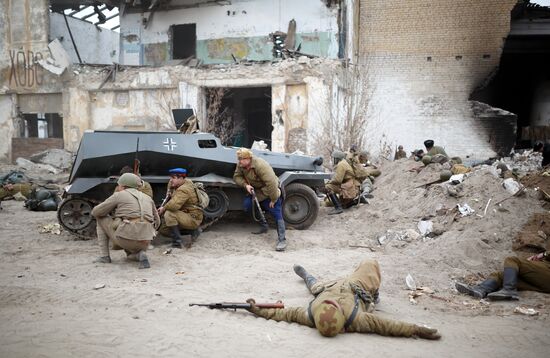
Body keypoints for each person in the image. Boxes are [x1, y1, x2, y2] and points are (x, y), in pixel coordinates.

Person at [244, 259, 441, 339]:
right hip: (355, 287)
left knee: (314, 285)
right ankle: (374, 293)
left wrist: (256, 308)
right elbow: (388, 326)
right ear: (344, 326)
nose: (333, 304)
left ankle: (306, 275)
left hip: (327, 288)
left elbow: (281, 314)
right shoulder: (357, 320)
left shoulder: (310, 315)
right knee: (370, 264)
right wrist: (417, 330)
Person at [91, 173, 160, 269]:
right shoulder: (148, 198)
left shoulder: (119, 195)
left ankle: (105, 256)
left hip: (126, 239)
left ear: (123, 186)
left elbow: (96, 212)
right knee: (129, 256)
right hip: (146, 241)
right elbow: (158, 222)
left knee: (100, 218)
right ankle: (140, 254)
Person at [233, 148, 287, 252]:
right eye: (239, 159)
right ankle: (264, 225)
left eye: (242, 159)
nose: (240, 161)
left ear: (249, 158)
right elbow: (236, 177)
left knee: (275, 211)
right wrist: (246, 185)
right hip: (256, 190)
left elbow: (272, 184)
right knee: (247, 205)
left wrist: (274, 199)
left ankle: (282, 240)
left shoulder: (260, 165)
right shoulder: (241, 165)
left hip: (270, 190)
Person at [455, 251, 550, 300]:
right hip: (544, 282)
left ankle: (509, 290)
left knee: (512, 260)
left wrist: (543, 254)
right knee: (502, 275)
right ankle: (481, 290)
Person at [157, 168, 203, 249]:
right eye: (171, 177)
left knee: (169, 214)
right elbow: (169, 192)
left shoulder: (184, 189)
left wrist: (163, 208)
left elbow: (174, 205)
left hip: (193, 217)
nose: (171, 180)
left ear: (181, 178)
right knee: (164, 230)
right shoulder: (179, 183)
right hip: (184, 214)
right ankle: (192, 232)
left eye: (173, 178)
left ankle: (177, 243)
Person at [325, 150, 360, 215]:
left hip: (347, 187)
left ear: (337, 158)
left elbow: (338, 180)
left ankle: (338, 208)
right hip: (349, 185)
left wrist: (329, 182)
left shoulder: (341, 164)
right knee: (344, 205)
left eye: (334, 158)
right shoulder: (344, 162)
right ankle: (352, 201)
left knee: (328, 187)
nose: (333, 160)